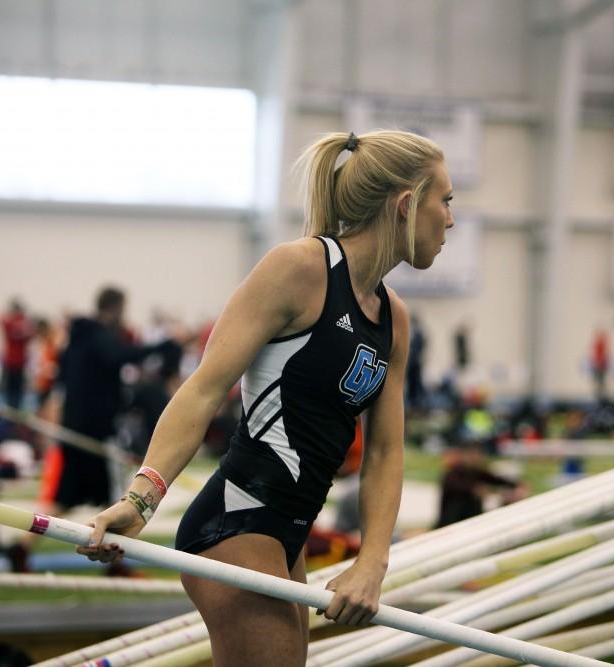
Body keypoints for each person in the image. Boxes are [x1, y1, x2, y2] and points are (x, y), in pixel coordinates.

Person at [76, 130, 454, 665]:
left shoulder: (395, 318)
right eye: (446, 200)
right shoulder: (298, 270)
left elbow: (387, 452)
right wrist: (141, 498)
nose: (451, 219)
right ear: (406, 204)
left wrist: (372, 561)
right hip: (236, 523)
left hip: (288, 536)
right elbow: (205, 388)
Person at [7, 286, 174, 573]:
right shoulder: (100, 337)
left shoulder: (75, 340)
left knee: (65, 498)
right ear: (115, 308)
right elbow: (120, 356)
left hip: (75, 429)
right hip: (93, 434)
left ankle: (22, 546)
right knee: (119, 500)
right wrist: (161, 347)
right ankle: (115, 562)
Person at [0, 298, 35, 410]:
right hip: (19, 363)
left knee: (8, 393)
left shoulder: (9, 322)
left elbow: (0, 320)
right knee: (17, 394)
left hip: (11, 362)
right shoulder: (25, 324)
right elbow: (31, 334)